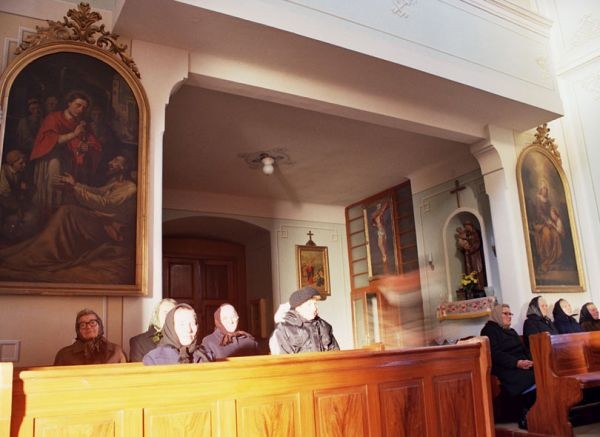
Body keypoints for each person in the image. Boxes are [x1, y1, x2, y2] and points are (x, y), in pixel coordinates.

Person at [0, 155, 136, 283]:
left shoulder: (130, 188)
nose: (110, 162)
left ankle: (50, 253)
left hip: (108, 229)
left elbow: (104, 204)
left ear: (124, 167)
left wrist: (75, 187)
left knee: (67, 211)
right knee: (66, 210)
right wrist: (75, 184)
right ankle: (45, 248)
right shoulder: (115, 183)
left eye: (116, 161)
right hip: (101, 222)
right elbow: (97, 192)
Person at [30, 91, 102, 215]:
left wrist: (86, 147)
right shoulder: (53, 118)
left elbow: (93, 142)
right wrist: (74, 134)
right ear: (69, 103)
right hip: (51, 156)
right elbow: (50, 141)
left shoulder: (82, 123)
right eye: (78, 105)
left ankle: (65, 214)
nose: (81, 110)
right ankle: (50, 212)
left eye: (84, 107)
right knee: (56, 173)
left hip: (72, 157)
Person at [480, 304, 535, 430]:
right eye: (505, 313)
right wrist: (517, 363)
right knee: (532, 378)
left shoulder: (511, 331)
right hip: (505, 367)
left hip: (521, 363)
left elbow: (524, 349)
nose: (509, 316)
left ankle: (536, 412)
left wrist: (532, 361)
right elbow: (495, 353)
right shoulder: (489, 330)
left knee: (542, 373)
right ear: (497, 315)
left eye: (510, 314)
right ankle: (525, 415)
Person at [272, 286, 339, 354]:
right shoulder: (283, 330)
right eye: (309, 305)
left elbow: (335, 355)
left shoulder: (324, 326)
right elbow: (282, 359)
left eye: (315, 304)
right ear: (298, 308)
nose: (314, 308)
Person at [143, 303, 212, 365]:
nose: (189, 330)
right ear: (171, 326)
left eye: (192, 323)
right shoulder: (153, 359)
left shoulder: (205, 354)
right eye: (182, 324)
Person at [54, 308, 127, 365]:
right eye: (83, 325)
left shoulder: (116, 351)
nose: (88, 327)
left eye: (92, 322)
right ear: (78, 330)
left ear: (100, 326)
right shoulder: (64, 355)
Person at [532, 180, 564, 273]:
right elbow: (539, 213)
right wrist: (546, 220)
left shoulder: (548, 201)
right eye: (543, 189)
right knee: (547, 234)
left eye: (546, 190)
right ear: (541, 190)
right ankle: (547, 258)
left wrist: (552, 220)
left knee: (555, 234)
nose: (545, 191)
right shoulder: (538, 200)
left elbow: (550, 212)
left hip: (549, 222)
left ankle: (555, 259)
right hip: (541, 223)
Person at [371, 201, 390, 273]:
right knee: (380, 244)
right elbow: (375, 221)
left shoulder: (379, 216)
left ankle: (384, 256)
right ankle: (384, 255)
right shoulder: (377, 216)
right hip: (380, 231)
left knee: (381, 244)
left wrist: (383, 207)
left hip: (381, 231)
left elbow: (382, 211)